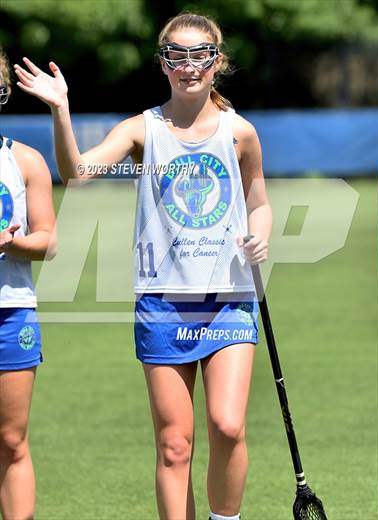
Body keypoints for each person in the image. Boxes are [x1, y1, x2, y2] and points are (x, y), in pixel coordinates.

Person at [14, 12, 272, 520]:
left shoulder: (241, 133)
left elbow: (258, 201)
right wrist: (61, 110)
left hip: (228, 301)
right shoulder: (141, 129)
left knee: (227, 425)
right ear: (163, 65)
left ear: (216, 62)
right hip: (163, 303)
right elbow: (77, 172)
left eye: (199, 55)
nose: (188, 66)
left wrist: (259, 234)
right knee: (175, 445)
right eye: (176, 55)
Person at [0, 48, 56, 520]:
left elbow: (47, 240)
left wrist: (10, 246)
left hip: (10, 310)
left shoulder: (26, 161)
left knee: (11, 440)